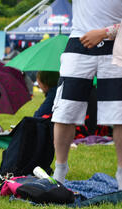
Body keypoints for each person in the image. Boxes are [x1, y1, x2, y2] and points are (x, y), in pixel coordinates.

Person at [50, 1, 122, 188]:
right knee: (65, 111)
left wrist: (105, 33)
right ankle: (60, 171)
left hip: (116, 45)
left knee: (119, 115)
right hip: (79, 43)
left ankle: (121, 174)